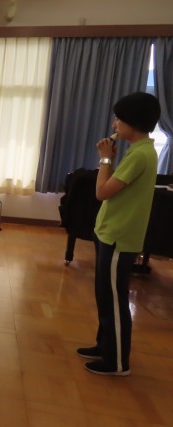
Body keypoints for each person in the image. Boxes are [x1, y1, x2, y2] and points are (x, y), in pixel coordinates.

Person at [77, 92, 160, 376]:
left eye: (118, 120)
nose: (114, 125)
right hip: (110, 233)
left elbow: (102, 192)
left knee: (114, 299)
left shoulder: (140, 155)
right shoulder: (138, 151)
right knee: (104, 295)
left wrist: (104, 159)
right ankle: (105, 346)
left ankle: (117, 362)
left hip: (119, 237)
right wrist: (109, 160)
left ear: (132, 122)